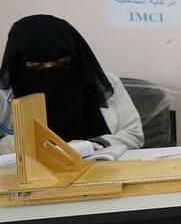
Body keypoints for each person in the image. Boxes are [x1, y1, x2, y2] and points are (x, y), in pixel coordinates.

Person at [0, 14, 143, 153]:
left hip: (100, 168)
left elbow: (134, 134)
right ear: (18, 64)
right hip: (26, 173)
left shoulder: (103, 83)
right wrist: (9, 144)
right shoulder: (4, 93)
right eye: (37, 68)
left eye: (62, 64)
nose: (50, 74)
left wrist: (96, 144)